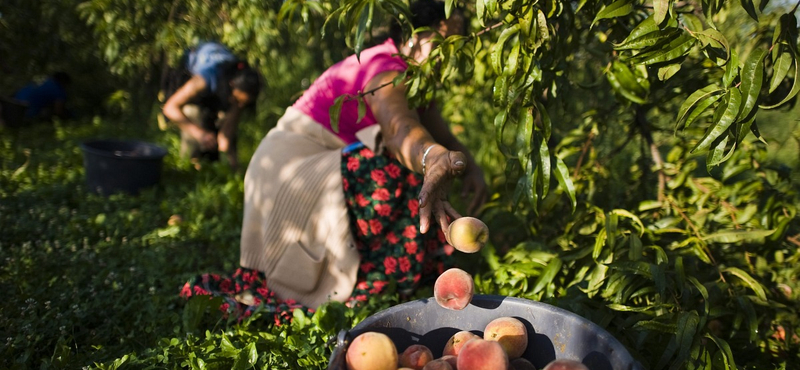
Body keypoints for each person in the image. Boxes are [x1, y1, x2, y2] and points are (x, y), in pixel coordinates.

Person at [180, 0, 488, 324]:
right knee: (388, 169)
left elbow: (440, 135)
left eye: (455, 46)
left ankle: (389, 275)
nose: (446, 56)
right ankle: (374, 277)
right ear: (413, 35)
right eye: (441, 42)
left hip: (309, 165)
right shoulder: (386, 67)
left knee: (397, 163)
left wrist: (469, 167)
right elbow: (400, 129)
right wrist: (431, 157)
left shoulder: (418, 80)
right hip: (290, 168)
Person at [162, 42, 261, 170]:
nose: (240, 105)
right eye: (237, 100)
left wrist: (230, 160)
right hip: (192, 96)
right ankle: (187, 169)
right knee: (193, 113)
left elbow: (227, 134)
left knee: (224, 120)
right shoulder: (205, 77)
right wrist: (200, 134)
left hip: (218, 96)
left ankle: (228, 170)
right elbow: (170, 108)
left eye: (244, 103)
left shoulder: (242, 92)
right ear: (232, 85)